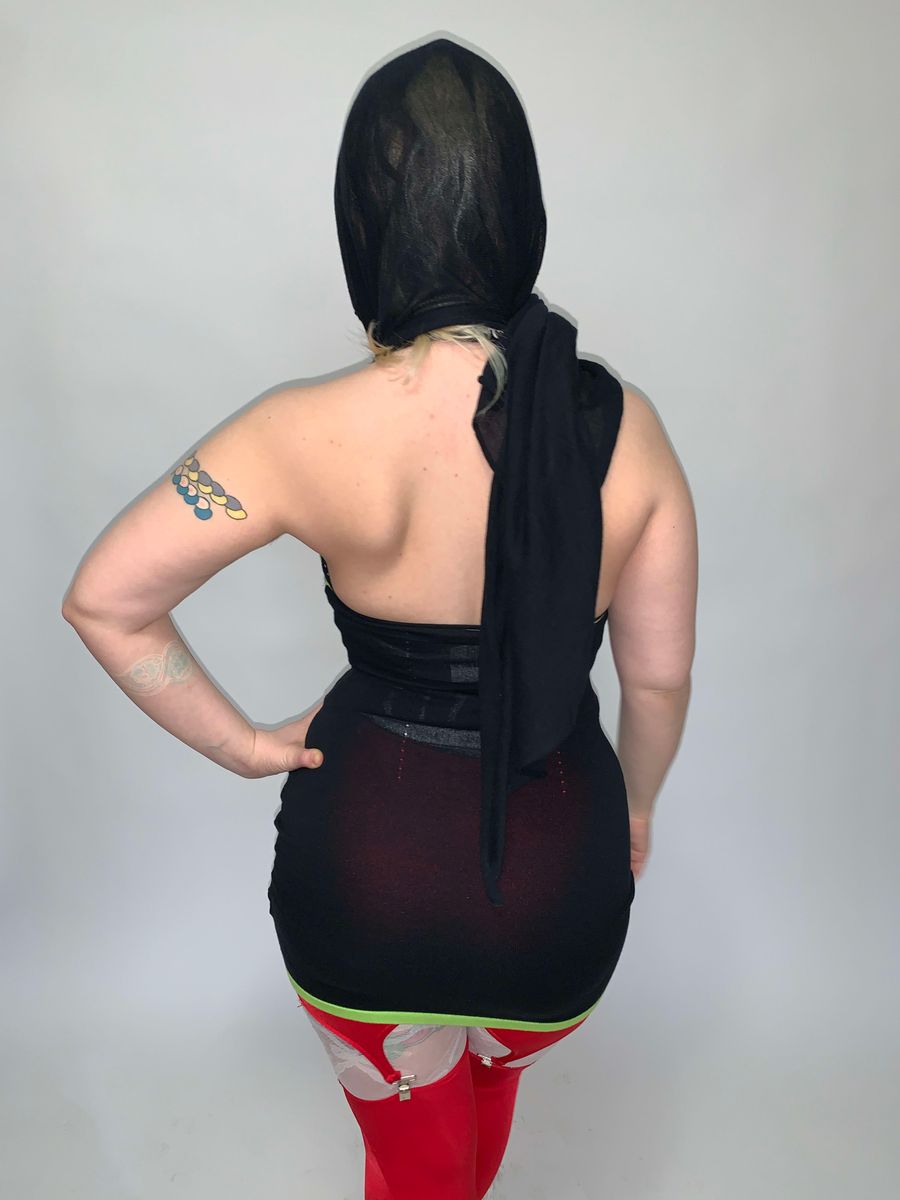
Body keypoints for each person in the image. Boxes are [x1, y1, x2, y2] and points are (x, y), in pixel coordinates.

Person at [62, 34, 697, 1200]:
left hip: (366, 876)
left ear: (366, 225)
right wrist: (639, 811)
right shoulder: (627, 427)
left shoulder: (297, 431)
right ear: (522, 212)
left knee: (414, 1168)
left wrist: (243, 745)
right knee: (479, 1115)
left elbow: (107, 600)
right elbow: (654, 683)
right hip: (561, 885)